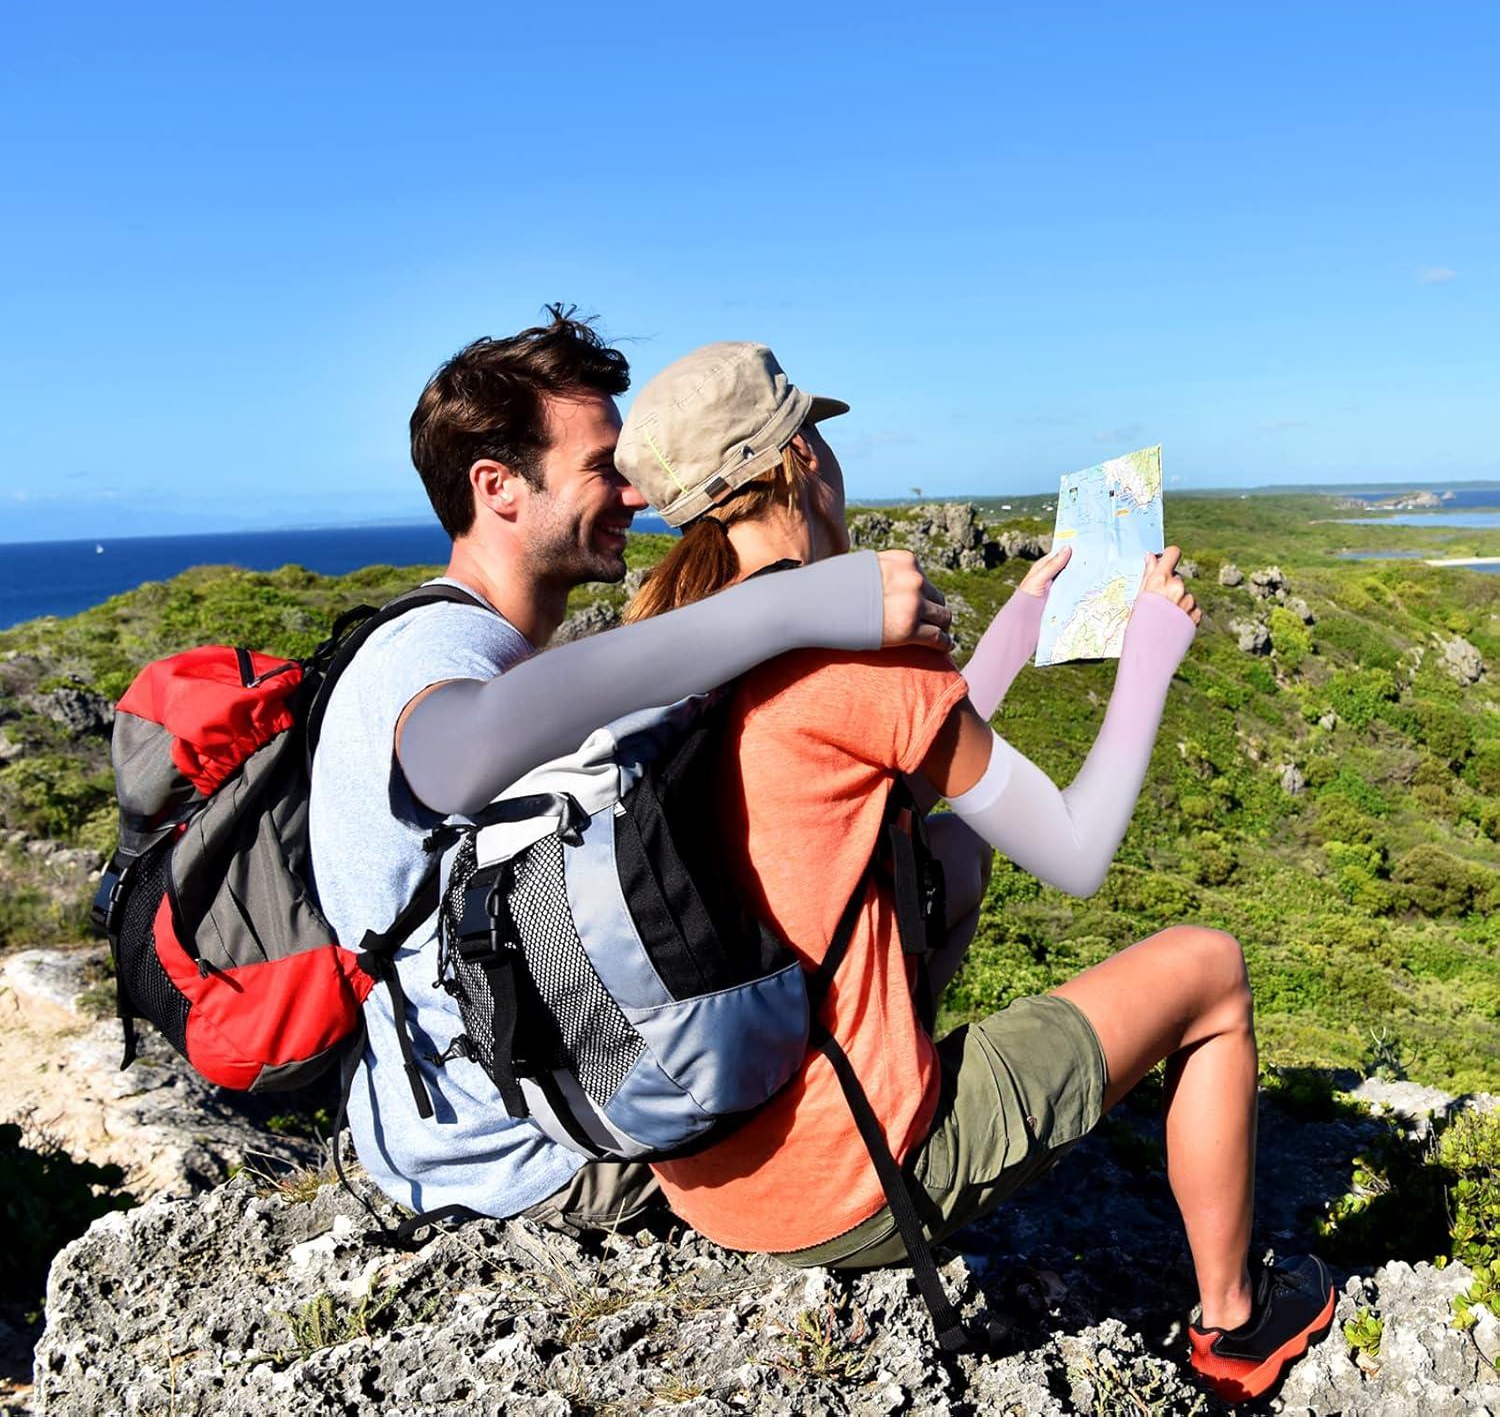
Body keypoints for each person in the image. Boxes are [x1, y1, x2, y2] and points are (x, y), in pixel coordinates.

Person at [614, 341, 1335, 1403]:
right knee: (1211, 971)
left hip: (705, 1163)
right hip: (842, 1188)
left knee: (950, 848)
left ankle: (891, 1071)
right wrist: (1146, 665)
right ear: (803, 456)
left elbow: (907, 776)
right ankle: (1233, 1325)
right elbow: (1080, 855)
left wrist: (1014, 628)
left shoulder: (668, 637)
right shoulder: (848, 655)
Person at [306, 309, 954, 1235]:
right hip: (532, 1163)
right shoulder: (434, 648)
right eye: (602, 468)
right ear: (498, 487)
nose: (635, 496)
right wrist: (798, 605)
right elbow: (458, 757)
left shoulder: (485, 644)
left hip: (467, 1129)